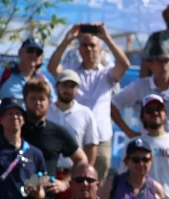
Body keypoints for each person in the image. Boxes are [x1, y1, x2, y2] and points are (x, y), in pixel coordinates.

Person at [46, 23, 130, 181]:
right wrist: (67, 39)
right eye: (84, 45)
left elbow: (124, 64)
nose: (89, 49)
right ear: (79, 50)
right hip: (74, 138)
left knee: (95, 184)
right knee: (71, 183)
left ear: (100, 50)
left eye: (93, 45)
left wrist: (106, 37)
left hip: (101, 138)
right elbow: (52, 67)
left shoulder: (107, 74)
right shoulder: (72, 73)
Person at [112, 48, 169, 138]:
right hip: (147, 144)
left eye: (166, 61)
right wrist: (129, 132)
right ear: (150, 65)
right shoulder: (140, 87)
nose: (163, 66)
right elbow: (112, 105)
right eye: (159, 62)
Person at [21, 79, 86, 182]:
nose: (37, 103)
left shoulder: (57, 132)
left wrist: (65, 183)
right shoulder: (13, 128)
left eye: (42, 99)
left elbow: (81, 160)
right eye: (33, 99)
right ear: (25, 100)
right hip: (11, 194)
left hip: (46, 194)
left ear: (49, 102)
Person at [45, 70, 101, 170]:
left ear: (77, 89)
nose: (68, 90)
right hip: (46, 172)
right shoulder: (45, 111)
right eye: (65, 85)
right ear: (57, 86)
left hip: (73, 174)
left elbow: (91, 147)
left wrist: (86, 171)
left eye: (72, 86)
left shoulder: (85, 113)